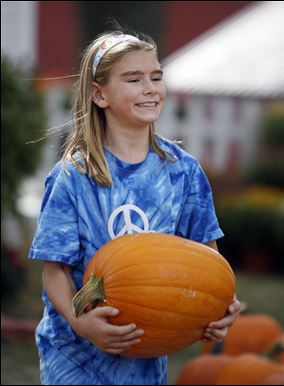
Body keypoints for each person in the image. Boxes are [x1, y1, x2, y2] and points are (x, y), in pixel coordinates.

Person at [28, 28, 241, 385]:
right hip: (73, 355)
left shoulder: (183, 172)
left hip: (144, 353)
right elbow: (55, 271)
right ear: (99, 94)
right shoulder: (73, 176)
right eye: (133, 79)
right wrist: (82, 323)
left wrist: (219, 305)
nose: (150, 88)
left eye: (156, 76)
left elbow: (206, 257)